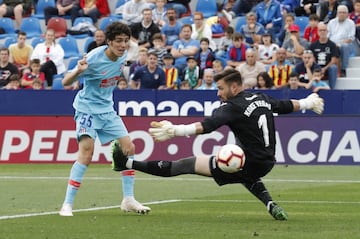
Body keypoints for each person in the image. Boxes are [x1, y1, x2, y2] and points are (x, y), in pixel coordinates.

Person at [111, 68, 324, 221]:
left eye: (221, 88)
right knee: (242, 169)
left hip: (249, 161)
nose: (218, 93)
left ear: (234, 87)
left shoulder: (232, 107)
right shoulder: (261, 97)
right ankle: (271, 205)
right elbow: (287, 105)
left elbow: (208, 126)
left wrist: (176, 131)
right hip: (267, 161)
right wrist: (308, 102)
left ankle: (125, 163)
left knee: (185, 164)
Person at [59, 22, 151, 216]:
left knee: (129, 148)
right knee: (86, 153)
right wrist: (78, 71)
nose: (122, 45)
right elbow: (66, 82)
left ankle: (128, 199)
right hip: (87, 110)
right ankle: (67, 204)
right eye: (118, 41)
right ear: (109, 41)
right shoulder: (93, 58)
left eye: (126, 41)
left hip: (107, 110)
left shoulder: (124, 54)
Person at [327, 5, 356, 77]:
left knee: (345, 47)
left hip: (346, 44)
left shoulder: (351, 23)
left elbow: (351, 38)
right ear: (337, 13)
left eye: (344, 12)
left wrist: (339, 44)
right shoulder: (331, 22)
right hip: (332, 44)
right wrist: (333, 44)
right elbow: (327, 35)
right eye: (340, 12)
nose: (342, 14)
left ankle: (343, 69)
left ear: (347, 14)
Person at [309, 22, 339, 89]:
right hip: (316, 67)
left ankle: (331, 89)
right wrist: (318, 68)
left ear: (327, 31)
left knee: (333, 67)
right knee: (309, 65)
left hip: (328, 67)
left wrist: (325, 68)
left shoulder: (332, 45)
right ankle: (311, 87)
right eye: (320, 30)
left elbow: (334, 60)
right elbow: (312, 58)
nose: (322, 32)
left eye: (324, 30)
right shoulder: (313, 45)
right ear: (317, 32)